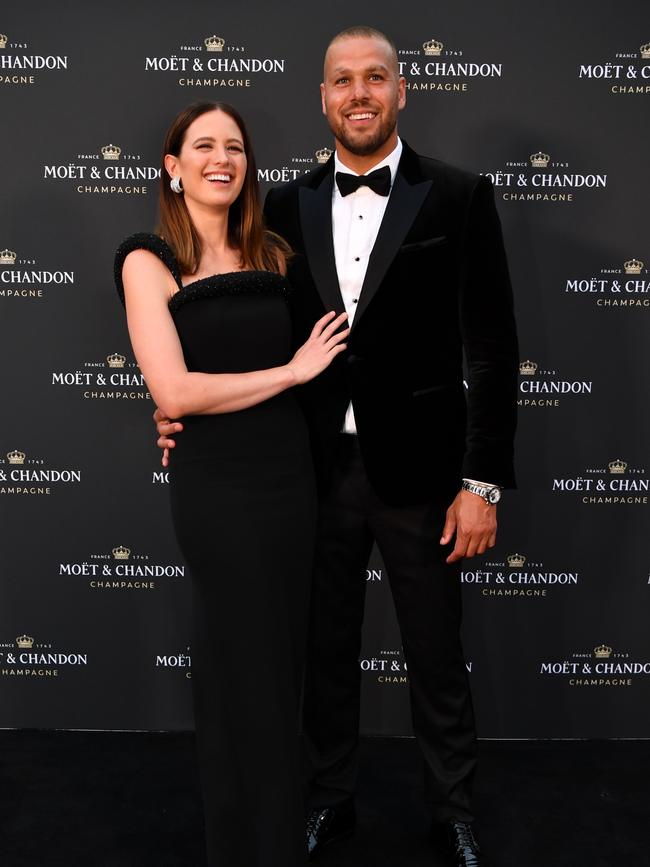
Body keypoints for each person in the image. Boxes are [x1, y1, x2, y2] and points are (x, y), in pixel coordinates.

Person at [157, 26, 518, 867]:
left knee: (435, 649)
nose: (358, 93)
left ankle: (453, 807)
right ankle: (326, 801)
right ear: (321, 99)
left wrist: (484, 482)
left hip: (423, 471)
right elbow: (243, 334)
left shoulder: (462, 197)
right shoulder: (278, 207)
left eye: (375, 78)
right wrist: (177, 409)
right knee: (321, 650)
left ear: (401, 92)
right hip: (304, 468)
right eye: (341, 81)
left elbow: (492, 349)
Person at [114, 101, 349, 867]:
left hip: (290, 479)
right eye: (203, 145)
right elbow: (175, 394)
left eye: (236, 147)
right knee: (234, 667)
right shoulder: (147, 261)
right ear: (172, 166)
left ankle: (277, 842)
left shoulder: (277, 255)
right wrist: (289, 370)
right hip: (216, 488)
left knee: (281, 669)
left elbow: (331, 372)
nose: (223, 158)